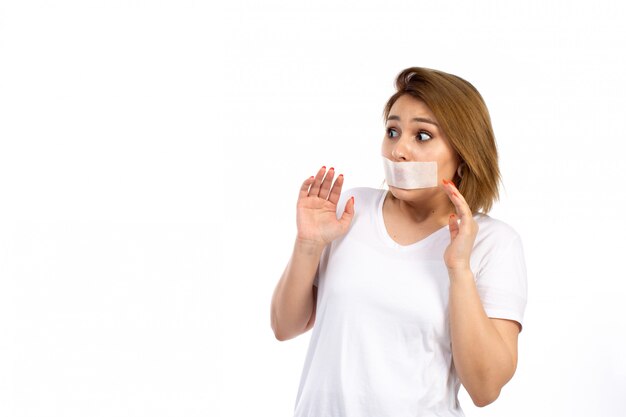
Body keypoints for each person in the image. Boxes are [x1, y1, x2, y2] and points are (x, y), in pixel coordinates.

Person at [270, 67, 528, 417]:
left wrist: (459, 270)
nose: (399, 150)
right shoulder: (351, 209)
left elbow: (484, 389)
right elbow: (284, 327)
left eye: (422, 136)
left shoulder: (493, 243)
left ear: (463, 155)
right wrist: (308, 245)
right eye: (392, 131)